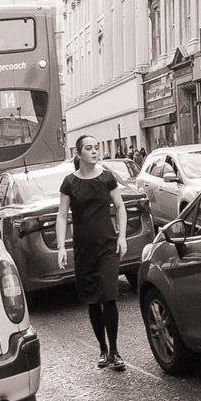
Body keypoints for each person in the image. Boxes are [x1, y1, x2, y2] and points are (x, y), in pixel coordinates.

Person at [55, 135, 129, 371]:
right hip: (84, 249)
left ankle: (115, 350)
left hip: (107, 246)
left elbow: (120, 206)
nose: (95, 152)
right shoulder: (69, 183)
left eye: (97, 147)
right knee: (93, 300)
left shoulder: (106, 177)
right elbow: (61, 215)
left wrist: (122, 236)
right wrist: (60, 247)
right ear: (79, 153)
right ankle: (102, 349)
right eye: (89, 148)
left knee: (109, 296)